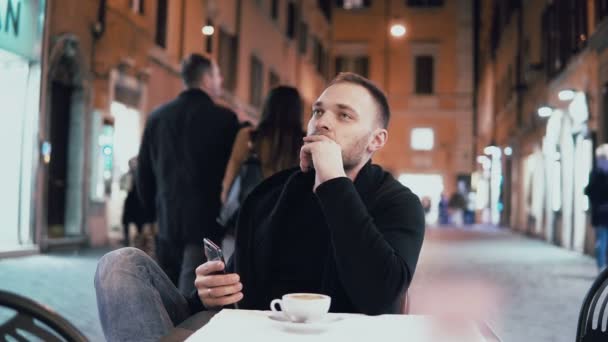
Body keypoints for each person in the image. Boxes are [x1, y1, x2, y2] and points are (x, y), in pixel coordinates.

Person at [95, 72, 425, 341]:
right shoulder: (271, 195)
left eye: (344, 116)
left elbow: (379, 297)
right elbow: (238, 288)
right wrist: (210, 293)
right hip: (255, 333)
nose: (322, 122)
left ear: (376, 140)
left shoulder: (397, 203)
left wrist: (334, 182)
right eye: (318, 111)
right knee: (120, 264)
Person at [136, 54, 240, 297]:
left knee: (166, 293)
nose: (220, 80)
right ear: (206, 79)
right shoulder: (225, 119)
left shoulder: (157, 116)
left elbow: (144, 173)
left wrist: (151, 213)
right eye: (217, 75)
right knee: (196, 297)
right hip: (206, 220)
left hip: (167, 222)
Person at [221, 86, 305, 204]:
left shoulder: (250, 137)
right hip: (291, 211)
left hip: (253, 212)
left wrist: (225, 203)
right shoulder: (304, 143)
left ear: (267, 108)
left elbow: (228, 181)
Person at [585, 144, 608, 271]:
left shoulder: (595, 173)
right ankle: (602, 267)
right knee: (602, 241)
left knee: (602, 241)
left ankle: (602, 268)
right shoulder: (595, 173)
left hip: (600, 213)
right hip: (601, 215)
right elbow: (589, 191)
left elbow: (589, 191)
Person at [119, 157, 151, 247]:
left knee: (140, 224)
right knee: (126, 222)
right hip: (130, 201)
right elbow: (123, 187)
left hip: (139, 202)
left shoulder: (143, 174)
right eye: (132, 163)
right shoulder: (128, 175)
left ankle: (140, 244)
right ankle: (127, 242)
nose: (134, 165)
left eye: (135, 163)